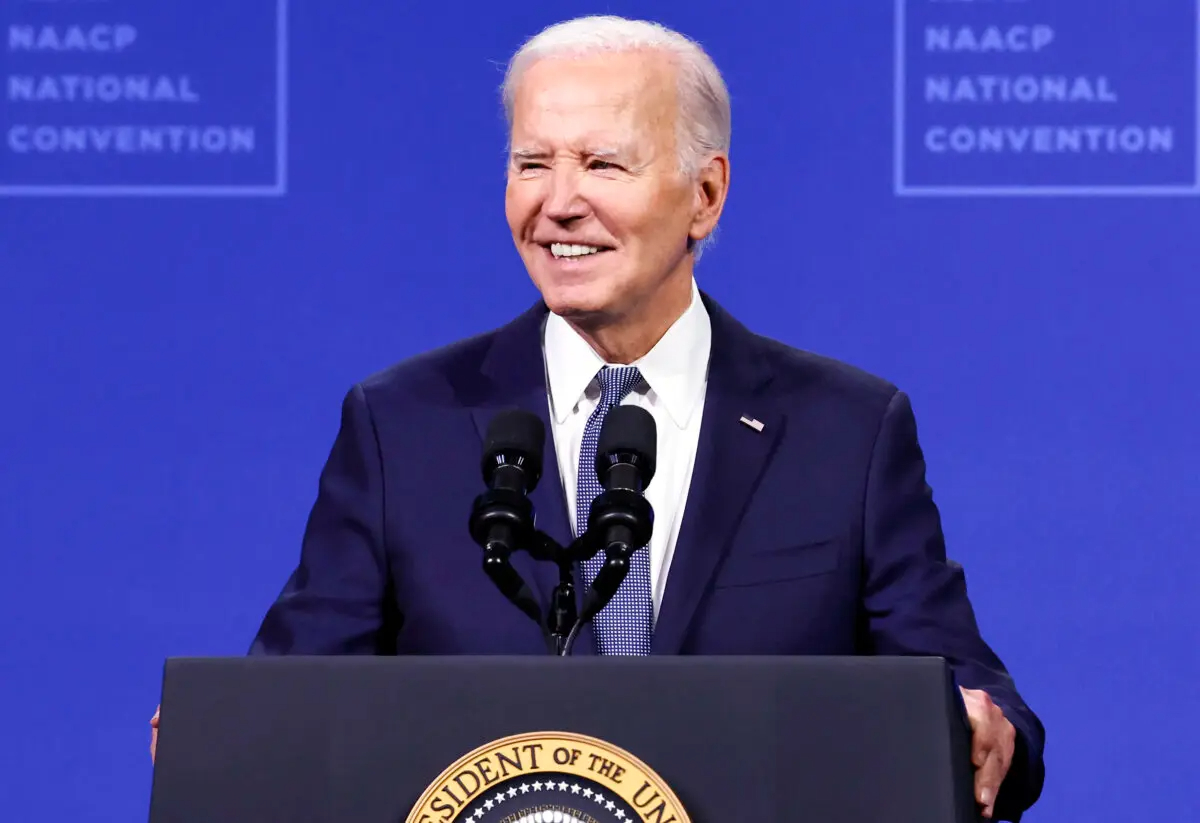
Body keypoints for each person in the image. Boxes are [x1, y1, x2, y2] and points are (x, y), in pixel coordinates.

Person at [150, 15, 1044, 820]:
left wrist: (978, 719)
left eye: (603, 163)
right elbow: (294, 694)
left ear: (706, 195)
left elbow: (964, 683)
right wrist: (224, 741)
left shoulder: (846, 429)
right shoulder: (402, 424)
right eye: (531, 162)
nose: (558, 202)